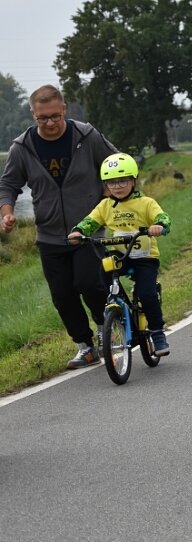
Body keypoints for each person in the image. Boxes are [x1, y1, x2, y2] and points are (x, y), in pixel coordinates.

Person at [0, 84, 116, 369]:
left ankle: (106, 329)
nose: (50, 123)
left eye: (54, 116)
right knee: (62, 295)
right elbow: (8, 184)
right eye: (42, 118)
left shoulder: (86, 136)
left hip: (89, 229)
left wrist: (107, 194)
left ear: (64, 109)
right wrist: (7, 212)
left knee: (89, 282)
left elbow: (116, 163)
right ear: (33, 114)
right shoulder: (22, 147)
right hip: (49, 234)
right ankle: (85, 346)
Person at [68, 153, 171, 356]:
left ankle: (158, 333)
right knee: (102, 269)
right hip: (120, 254)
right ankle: (115, 307)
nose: (117, 186)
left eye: (122, 180)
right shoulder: (105, 205)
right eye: (111, 182)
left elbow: (163, 218)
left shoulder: (146, 203)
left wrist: (159, 225)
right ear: (106, 185)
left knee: (147, 294)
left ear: (133, 180)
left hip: (145, 257)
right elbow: (90, 221)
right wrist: (79, 232)